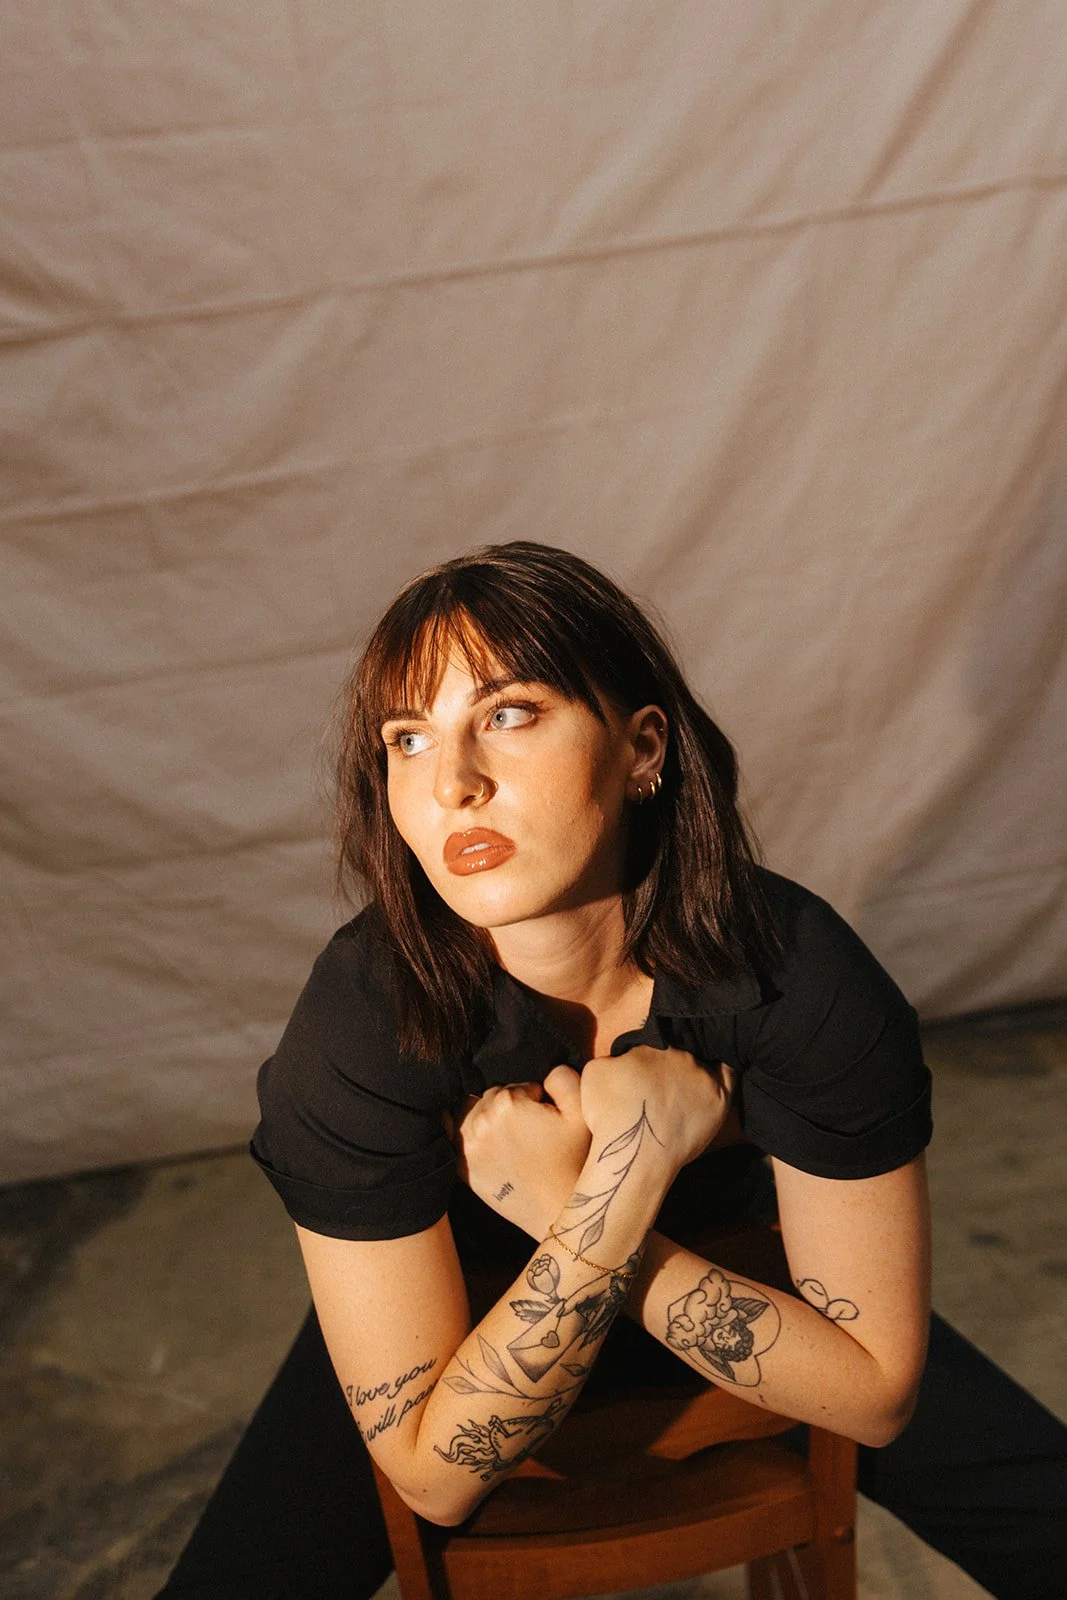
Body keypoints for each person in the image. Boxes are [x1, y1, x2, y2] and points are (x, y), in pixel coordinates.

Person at [159, 542, 1065, 1600]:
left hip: (745, 1273)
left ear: (642, 748)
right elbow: (434, 1479)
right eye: (409, 739)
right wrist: (624, 1178)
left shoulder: (793, 970)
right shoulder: (363, 1018)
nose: (453, 783)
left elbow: (872, 1398)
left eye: (508, 714)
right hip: (455, 1309)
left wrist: (568, 1203)